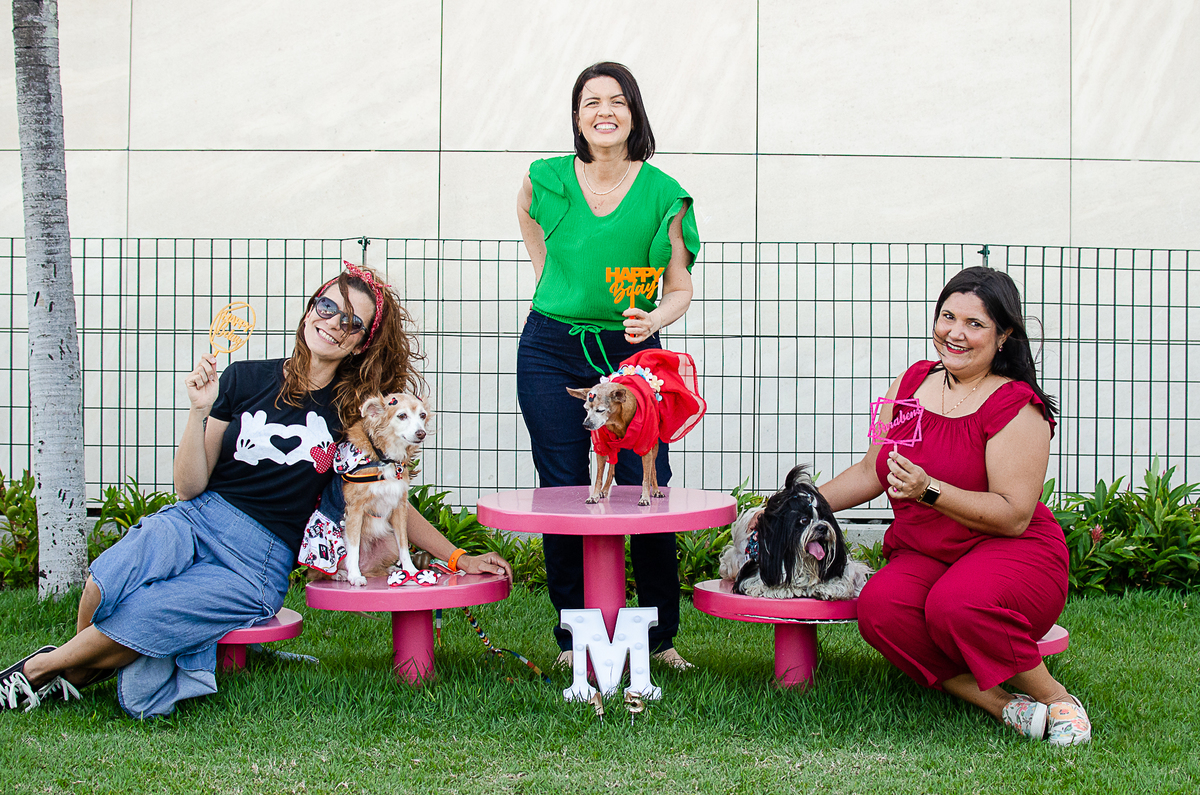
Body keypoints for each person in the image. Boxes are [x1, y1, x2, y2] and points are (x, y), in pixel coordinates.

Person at [0, 263, 509, 718]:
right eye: (327, 307)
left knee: (149, 613)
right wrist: (199, 410)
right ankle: (76, 671)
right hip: (197, 518)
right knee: (108, 577)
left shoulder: (351, 412)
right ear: (309, 310)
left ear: (360, 343)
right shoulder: (244, 377)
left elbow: (386, 495)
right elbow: (188, 487)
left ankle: (39, 671)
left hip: (257, 557)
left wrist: (457, 556)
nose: (333, 323)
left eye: (351, 322)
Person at [816, 266, 1091, 745]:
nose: (955, 333)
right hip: (927, 550)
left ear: (1003, 336)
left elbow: (1014, 515)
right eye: (948, 317)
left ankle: (1056, 698)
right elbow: (870, 471)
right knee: (881, 607)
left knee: (957, 604)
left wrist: (929, 490)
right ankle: (1002, 704)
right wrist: (798, 505)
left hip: (1013, 551)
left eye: (974, 323)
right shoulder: (911, 382)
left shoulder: (1016, 405)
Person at [515, 61, 700, 668]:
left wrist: (655, 319)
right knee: (564, 486)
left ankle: (660, 639)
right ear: (577, 117)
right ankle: (575, 638)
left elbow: (679, 287)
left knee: (647, 483)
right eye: (591, 101)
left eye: (616, 100)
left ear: (633, 112)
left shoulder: (664, 194)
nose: (604, 111)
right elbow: (528, 217)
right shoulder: (545, 180)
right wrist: (550, 278)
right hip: (550, 349)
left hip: (630, 356)